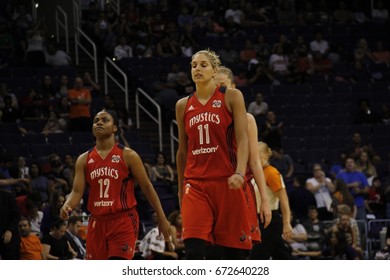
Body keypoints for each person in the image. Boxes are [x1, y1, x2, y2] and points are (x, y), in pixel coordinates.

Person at [60, 109, 171, 260]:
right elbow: (76, 191)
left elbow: (147, 187)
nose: (99, 122)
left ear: (115, 128)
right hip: (97, 222)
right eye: (96, 120)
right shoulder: (83, 159)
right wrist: (68, 205)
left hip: (123, 220)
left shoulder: (129, 155)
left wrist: (162, 218)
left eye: (105, 120)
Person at [175, 49, 251, 260]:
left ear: (214, 70)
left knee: (233, 254)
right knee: (193, 250)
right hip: (196, 184)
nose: (197, 69)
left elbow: (243, 139)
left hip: (227, 182)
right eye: (193, 65)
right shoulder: (183, 105)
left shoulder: (232, 96)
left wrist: (239, 172)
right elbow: (182, 150)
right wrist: (181, 186)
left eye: (203, 65)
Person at [213, 66, 272, 257]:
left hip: (239, 190)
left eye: (223, 86)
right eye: (215, 87)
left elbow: (255, 162)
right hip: (212, 189)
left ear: (233, 86)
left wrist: (264, 200)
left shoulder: (247, 119)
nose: (219, 91)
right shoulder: (206, 118)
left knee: (238, 252)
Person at [250, 142, 293, 260]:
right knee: (282, 255)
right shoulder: (253, 173)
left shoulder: (271, 173)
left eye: (256, 154)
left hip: (270, 221)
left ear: (265, 156)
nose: (252, 157)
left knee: (256, 257)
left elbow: (284, 200)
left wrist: (286, 223)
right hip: (258, 220)